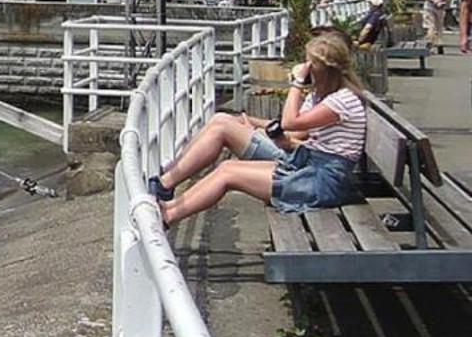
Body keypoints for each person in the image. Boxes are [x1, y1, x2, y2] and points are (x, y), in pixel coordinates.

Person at [151, 31, 367, 228]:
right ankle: (168, 206)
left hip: (321, 182)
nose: (305, 65)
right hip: (309, 167)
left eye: (310, 63)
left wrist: (297, 83)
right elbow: (295, 131)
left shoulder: (341, 101)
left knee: (228, 173)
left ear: (320, 70)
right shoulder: (323, 96)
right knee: (227, 166)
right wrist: (281, 138)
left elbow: (290, 122)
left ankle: (168, 214)